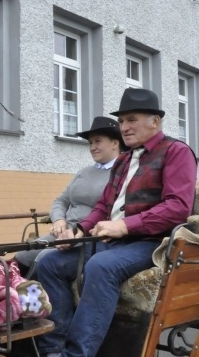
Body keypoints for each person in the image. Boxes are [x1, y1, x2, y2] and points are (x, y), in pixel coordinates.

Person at [32, 88, 197, 357]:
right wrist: (81, 229)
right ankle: (55, 355)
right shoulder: (123, 161)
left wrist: (125, 226)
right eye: (121, 121)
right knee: (49, 263)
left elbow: (178, 208)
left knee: (100, 267)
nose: (125, 127)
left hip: (152, 243)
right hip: (113, 239)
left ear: (155, 121)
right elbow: (103, 206)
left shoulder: (176, 152)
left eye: (132, 119)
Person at [13, 116, 125, 279]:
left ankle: (26, 298)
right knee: (24, 254)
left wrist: (76, 231)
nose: (92, 147)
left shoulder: (120, 174)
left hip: (87, 236)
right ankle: (5, 293)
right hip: (63, 232)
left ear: (115, 143)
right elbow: (61, 201)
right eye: (90, 143)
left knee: (42, 259)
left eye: (98, 141)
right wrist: (59, 220)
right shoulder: (83, 172)